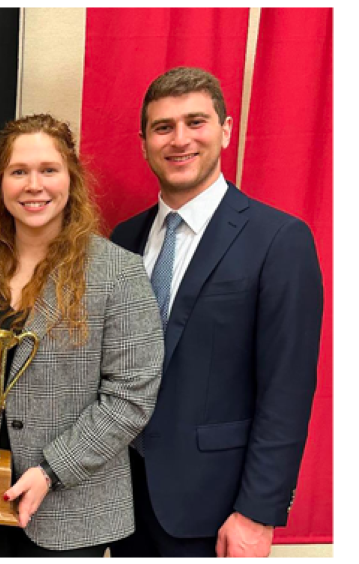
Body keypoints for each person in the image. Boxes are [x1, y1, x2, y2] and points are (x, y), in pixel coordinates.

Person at [0, 114, 164, 556]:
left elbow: (131, 397)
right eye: (19, 172)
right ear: (0, 185)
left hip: (71, 510)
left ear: (71, 178)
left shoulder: (118, 272)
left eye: (49, 170)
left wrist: (51, 470)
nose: (35, 185)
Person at [108, 67, 324, 558]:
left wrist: (257, 513)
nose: (179, 139)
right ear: (144, 143)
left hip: (215, 510)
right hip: (121, 501)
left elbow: (286, 390)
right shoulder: (123, 239)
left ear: (225, 130)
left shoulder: (279, 240)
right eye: (163, 127)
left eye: (196, 122)